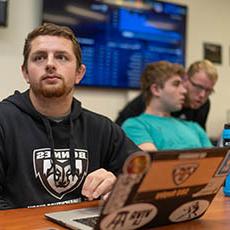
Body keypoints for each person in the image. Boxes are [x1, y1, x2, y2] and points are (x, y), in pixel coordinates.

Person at [0, 23, 139, 210]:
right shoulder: (4, 121)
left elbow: (147, 174)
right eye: (39, 57)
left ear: (79, 73)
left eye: (61, 57)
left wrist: (118, 184)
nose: (50, 64)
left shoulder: (101, 128)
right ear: (25, 72)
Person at [122, 61, 213, 152]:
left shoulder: (194, 127)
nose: (184, 91)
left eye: (182, 85)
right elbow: (154, 164)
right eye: (176, 84)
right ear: (156, 89)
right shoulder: (135, 125)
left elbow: (217, 162)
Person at [116, 60, 218, 130]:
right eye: (198, 87)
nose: (202, 95)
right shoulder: (148, 102)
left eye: (209, 91)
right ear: (186, 79)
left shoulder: (204, 106)